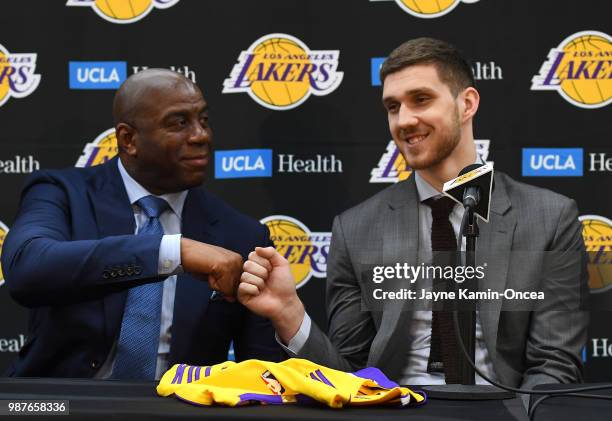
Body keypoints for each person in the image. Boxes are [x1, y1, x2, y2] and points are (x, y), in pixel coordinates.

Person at [237, 38, 588, 390]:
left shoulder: (549, 218)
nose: (404, 120)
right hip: (393, 410)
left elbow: (553, 366)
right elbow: (346, 377)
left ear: (466, 104)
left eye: (421, 99)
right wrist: (290, 314)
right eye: (393, 107)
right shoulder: (356, 229)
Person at [2, 69, 281, 379]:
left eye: (203, 120)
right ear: (128, 139)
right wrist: (173, 252)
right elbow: (26, 270)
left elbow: (264, 375)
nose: (201, 135)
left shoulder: (242, 235)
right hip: (65, 405)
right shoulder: (64, 194)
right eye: (179, 123)